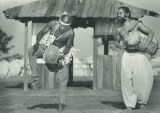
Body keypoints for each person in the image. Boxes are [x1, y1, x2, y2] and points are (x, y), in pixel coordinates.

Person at [28, 12, 75, 112]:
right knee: (31, 51)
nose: (62, 28)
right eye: (61, 25)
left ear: (69, 26)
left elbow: (67, 48)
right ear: (59, 22)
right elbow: (41, 33)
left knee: (62, 80)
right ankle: (35, 79)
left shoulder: (71, 33)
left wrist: (61, 55)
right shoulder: (53, 24)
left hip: (59, 54)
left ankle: (61, 104)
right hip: (46, 48)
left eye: (65, 26)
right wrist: (37, 43)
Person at [115, 6, 154, 110]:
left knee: (141, 79)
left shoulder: (137, 24)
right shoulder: (119, 29)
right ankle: (129, 105)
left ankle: (142, 104)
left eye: (120, 13)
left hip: (139, 54)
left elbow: (151, 32)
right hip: (127, 55)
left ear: (127, 14)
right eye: (118, 13)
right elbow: (116, 43)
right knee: (126, 80)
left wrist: (147, 44)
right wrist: (121, 45)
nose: (118, 15)